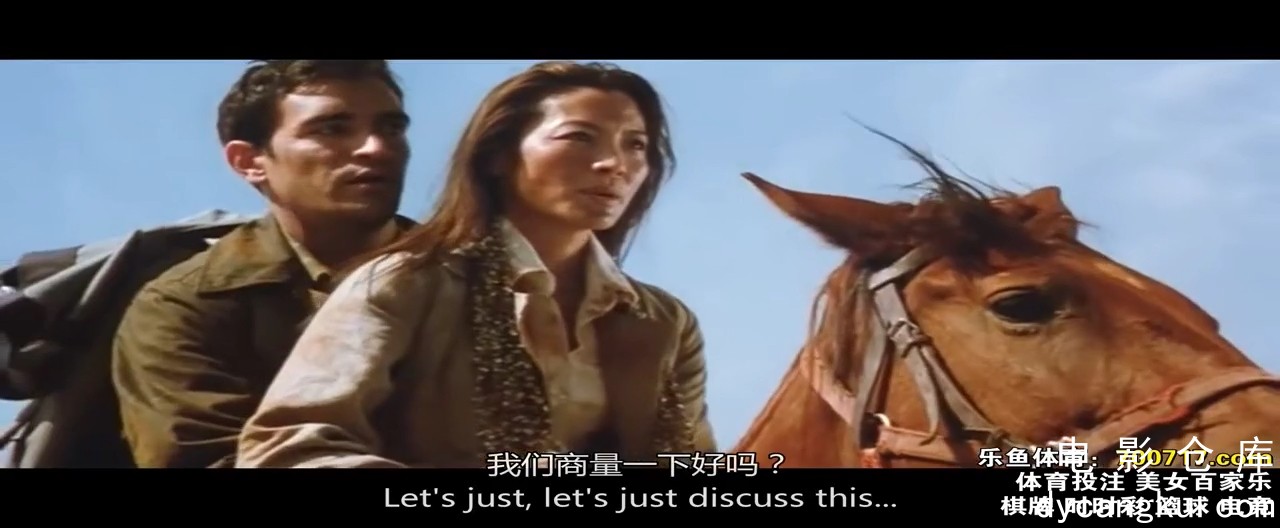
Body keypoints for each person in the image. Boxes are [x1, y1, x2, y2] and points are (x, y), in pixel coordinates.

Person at [235, 60, 716, 468]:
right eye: (579, 137)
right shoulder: (405, 284)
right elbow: (289, 448)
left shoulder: (664, 321)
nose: (614, 163)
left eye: (636, 144)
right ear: (498, 156)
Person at [111, 60, 417, 468]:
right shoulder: (186, 307)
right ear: (249, 161)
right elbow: (207, 458)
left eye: (391, 128)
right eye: (332, 129)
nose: (376, 148)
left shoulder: (475, 274)